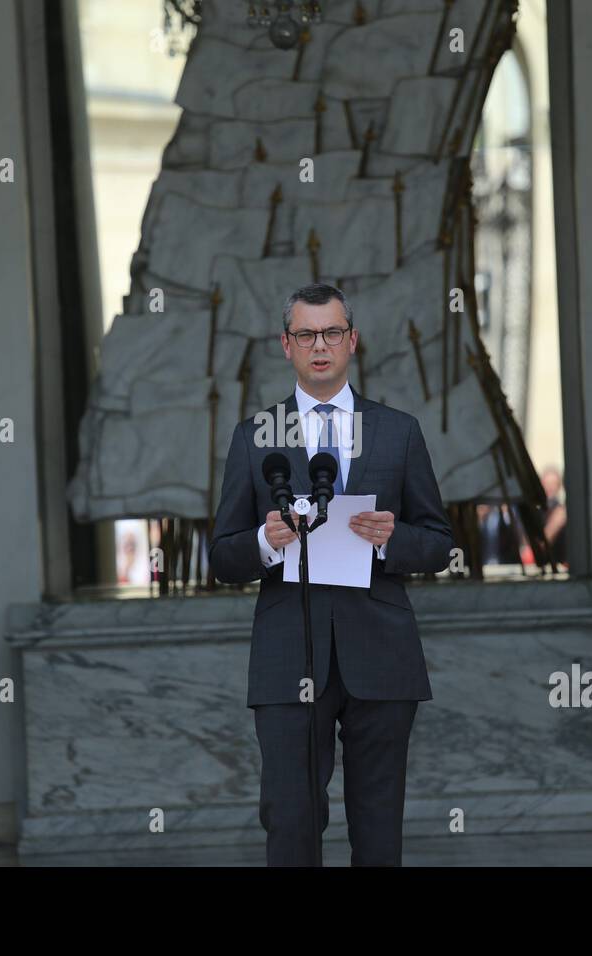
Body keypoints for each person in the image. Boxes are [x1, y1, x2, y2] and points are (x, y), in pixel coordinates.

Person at [208, 282, 452, 866]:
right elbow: (220, 556)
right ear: (285, 344)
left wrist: (392, 538)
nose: (321, 345)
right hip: (289, 651)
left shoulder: (398, 431)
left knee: (377, 824)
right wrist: (266, 543)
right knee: (290, 820)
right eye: (306, 335)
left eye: (332, 332)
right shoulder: (253, 438)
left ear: (353, 341)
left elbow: (439, 543)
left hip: (381, 650)